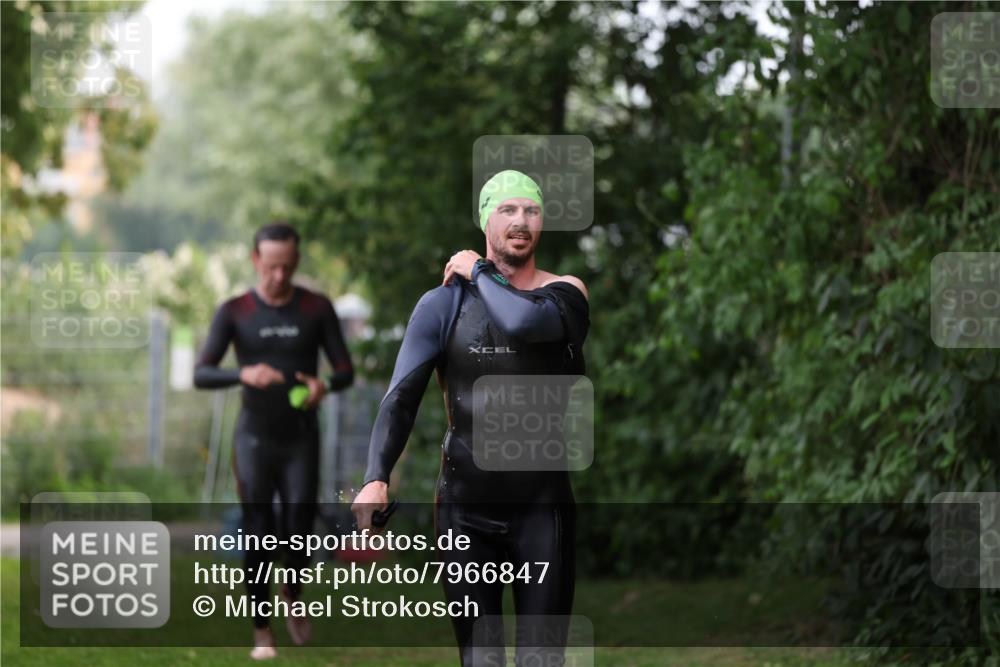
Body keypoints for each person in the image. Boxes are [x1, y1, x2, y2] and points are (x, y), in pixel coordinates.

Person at [352, 170, 589, 666]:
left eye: (531, 210)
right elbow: (401, 396)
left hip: (542, 511)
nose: (520, 221)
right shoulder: (443, 305)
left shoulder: (565, 295)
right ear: (486, 220)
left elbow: (522, 322)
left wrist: (478, 271)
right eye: (507, 210)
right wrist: (376, 477)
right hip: (466, 510)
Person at [194, 222, 354, 660]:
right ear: (255, 261)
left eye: (286, 267)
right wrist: (242, 373)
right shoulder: (235, 311)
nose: (279, 276)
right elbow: (202, 372)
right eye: (270, 267)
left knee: (299, 528)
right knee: (260, 531)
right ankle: (262, 630)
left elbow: (345, 370)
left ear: (296, 262)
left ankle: (293, 594)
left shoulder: (317, 309)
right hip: (255, 439)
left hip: (301, 437)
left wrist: (325, 386)